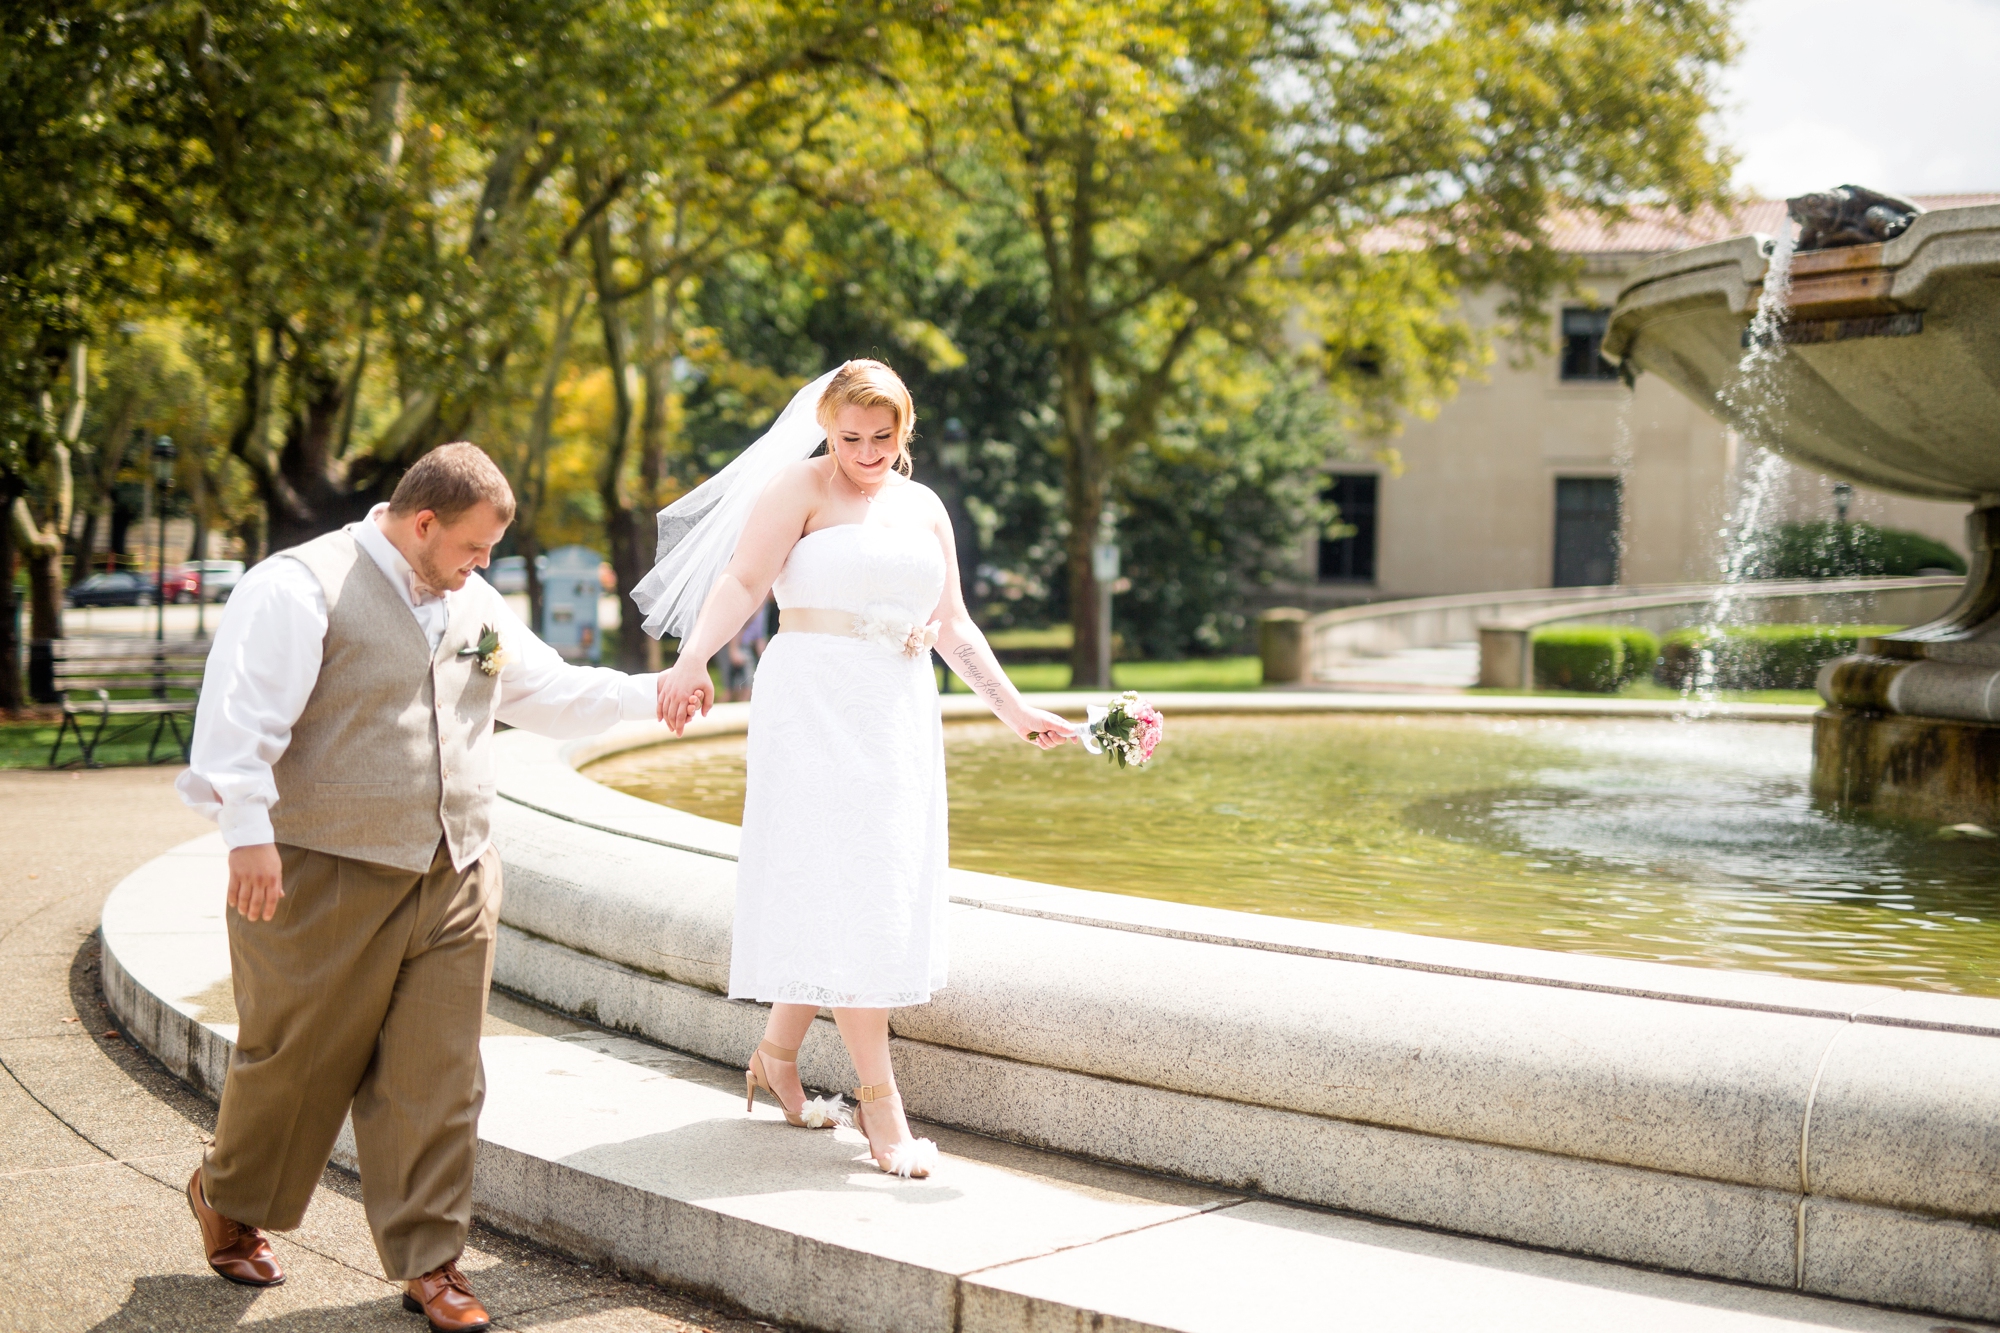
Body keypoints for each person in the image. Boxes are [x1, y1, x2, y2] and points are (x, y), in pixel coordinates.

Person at [175, 444, 659, 1332]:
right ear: (423, 520)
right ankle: (229, 1192)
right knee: (297, 1057)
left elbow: (546, 692)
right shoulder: (298, 585)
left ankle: (431, 1262)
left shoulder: (473, 602)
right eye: (471, 547)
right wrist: (246, 832)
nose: (481, 567)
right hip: (323, 860)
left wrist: (653, 694)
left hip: (459, 866)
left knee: (440, 1072)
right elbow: (239, 716)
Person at [640, 360, 1076, 1178]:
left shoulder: (925, 508)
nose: (867, 452)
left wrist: (1013, 708)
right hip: (812, 704)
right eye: (851, 437)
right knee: (849, 882)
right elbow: (742, 580)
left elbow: (951, 622)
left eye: (884, 437)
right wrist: (693, 657)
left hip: (896, 710)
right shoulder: (797, 489)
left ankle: (776, 1054)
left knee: (866, 879)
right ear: (827, 427)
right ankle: (882, 1107)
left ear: (904, 431)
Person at [716, 598, 770, 702]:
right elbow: (737, 626)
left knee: (746, 688)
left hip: (745, 646)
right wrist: (733, 650)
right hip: (733, 646)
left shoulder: (764, 605)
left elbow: (760, 636)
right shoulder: (754, 601)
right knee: (733, 690)